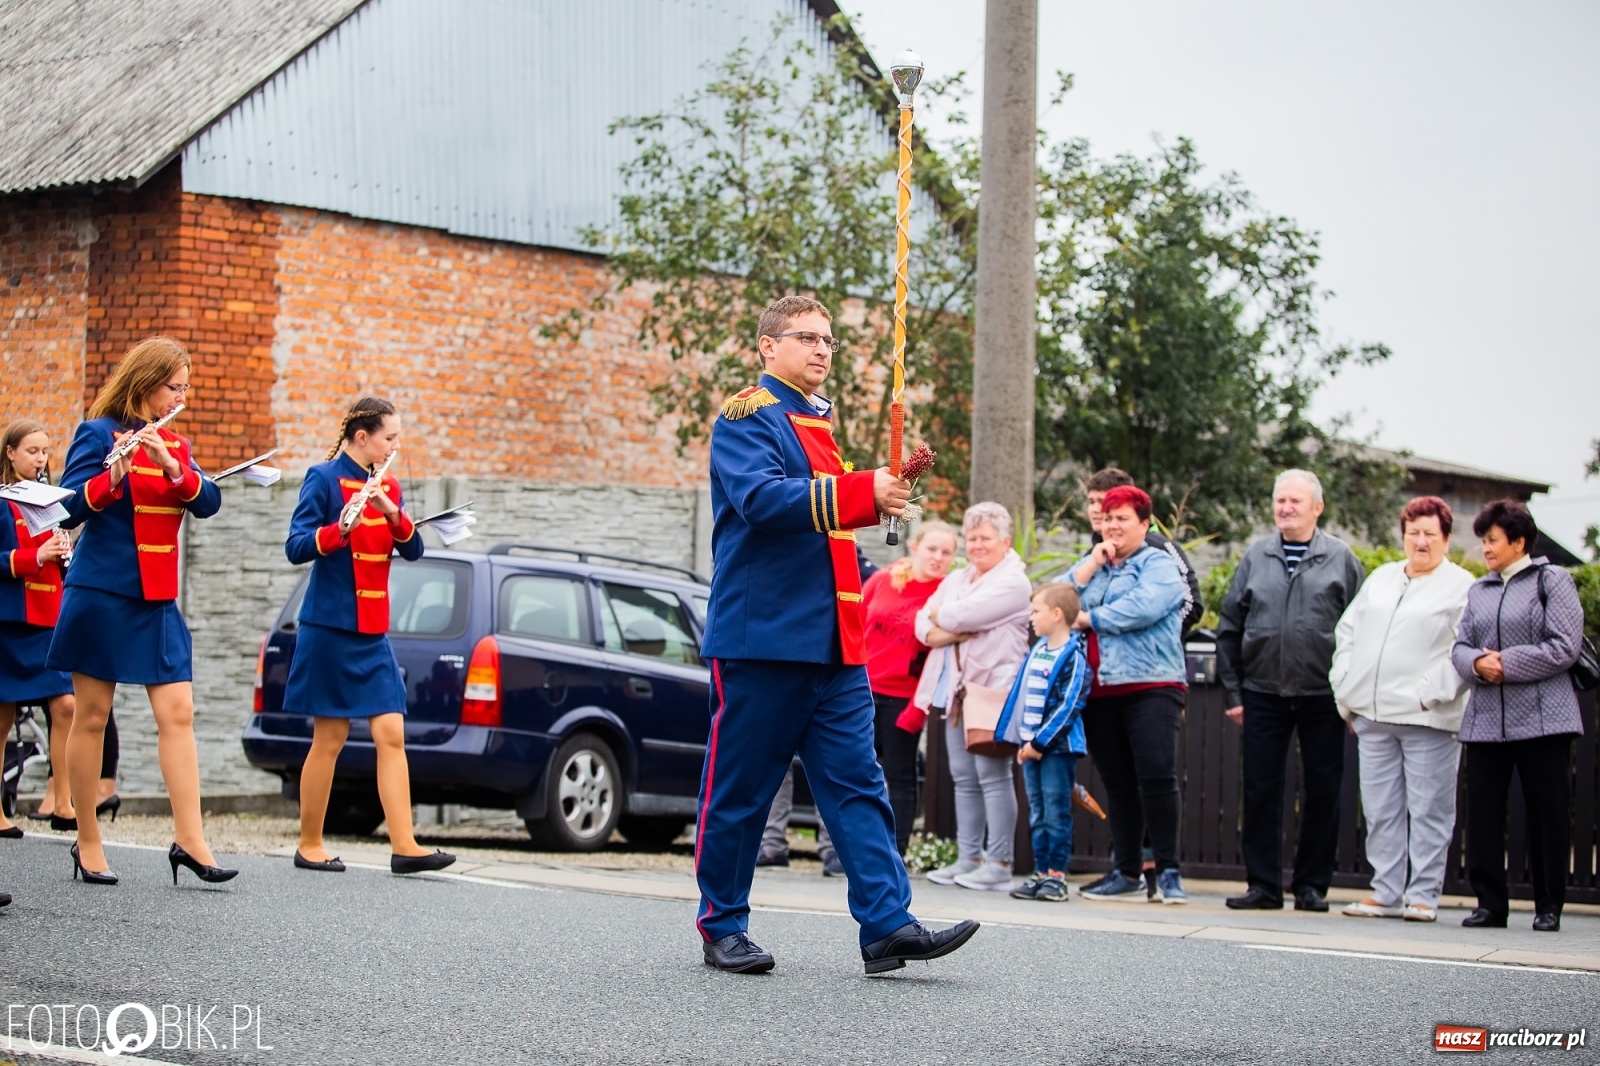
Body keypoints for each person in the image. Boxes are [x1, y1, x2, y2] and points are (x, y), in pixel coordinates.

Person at [694, 294, 978, 975]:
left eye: (828, 340)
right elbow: (762, 501)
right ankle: (722, 925)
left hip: (835, 645)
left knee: (858, 786)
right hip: (764, 640)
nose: (822, 349)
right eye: (806, 337)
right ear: (768, 347)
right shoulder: (746, 417)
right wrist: (861, 491)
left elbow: (827, 531)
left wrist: (872, 499)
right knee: (740, 791)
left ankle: (886, 924)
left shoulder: (817, 423)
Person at [48, 337, 235, 886]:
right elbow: (66, 509)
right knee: (92, 715)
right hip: (102, 591)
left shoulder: (174, 442)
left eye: (185, 387)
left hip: (157, 598)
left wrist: (173, 467)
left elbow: (208, 501)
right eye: (174, 386)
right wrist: (114, 475)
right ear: (146, 381)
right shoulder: (97, 433)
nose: (180, 397)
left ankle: (191, 840)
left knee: (178, 713)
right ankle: (87, 839)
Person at [284, 396, 455, 877]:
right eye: (389, 437)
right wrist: (338, 528)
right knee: (330, 736)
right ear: (362, 437)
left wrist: (391, 511)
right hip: (330, 626)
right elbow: (296, 545)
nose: (396, 446)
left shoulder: (389, 485)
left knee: (391, 733)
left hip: (372, 628)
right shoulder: (322, 479)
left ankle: (404, 845)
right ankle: (310, 843)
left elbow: (414, 549)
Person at [757, 525, 954, 873]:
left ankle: (894, 854)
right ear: (914, 547)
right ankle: (843, 852)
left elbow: (940, 654)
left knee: (899, 777)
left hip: (904, 697)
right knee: (848, 769)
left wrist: (917, 707)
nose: (938, 558)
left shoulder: (947, 596)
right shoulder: (885, 579)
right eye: (932, 549)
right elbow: (854, 622)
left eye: (946, 552)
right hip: (863, 687)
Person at [1217, 469, 1364, 912]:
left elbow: (1362, 630)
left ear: (1317, 508)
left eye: (1295, 501)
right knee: (1260, 790)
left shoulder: (1341, 558)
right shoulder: (1256, 555)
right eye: (1280, 500)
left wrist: (1351, 697)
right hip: (1262, 693)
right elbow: (1230, 626)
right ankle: (1263, 885)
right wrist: (1235, 695)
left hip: (1324, 695)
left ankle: (1311, 886)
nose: (1285, 508)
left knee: (1322, 790)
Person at [1331, 496, 1474, 922]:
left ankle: (1424, 895)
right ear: (1403, 536)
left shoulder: (1462, 586)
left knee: (1430, 809)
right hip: (1372, 716)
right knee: (1380, 810)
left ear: (1446, 537)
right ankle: (1385, 891)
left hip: (1427, 718)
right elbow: (1347, 633)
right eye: (1413, 533)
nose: (1421, 541)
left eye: (1430, 533)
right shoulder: (1382, 578)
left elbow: (1464, 650)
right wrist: (1346, 690)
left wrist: (1429, 694)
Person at [1451, 500, 1585, 933]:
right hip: (1486, 721)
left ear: (1519, 541)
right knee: (1483, 815)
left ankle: (1549, 906)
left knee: (1547, 814)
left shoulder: (1553, 580)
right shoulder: (1479, 590)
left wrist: (1504, 663)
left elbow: (1564, 646)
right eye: (1484, 541)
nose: (1486, 548)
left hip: (1545, 720)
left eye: (1493, 540)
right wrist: (1476, 663)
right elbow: (1460, 647)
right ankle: (1490, 905)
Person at [1064, 485, 1191, 904]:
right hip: (1099, 690)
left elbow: (1145, 606)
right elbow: (1054, 602)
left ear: (1145, 524)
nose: (1113, 526)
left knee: (1156, 775)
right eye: (1108, 518)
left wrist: (1089, 618)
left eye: (1123, 518)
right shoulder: (1097, 564)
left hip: (1152, 684)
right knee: (1117, 782)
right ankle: (1127, 871)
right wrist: (1089, 565)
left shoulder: (1159, 562)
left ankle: (1168, 871)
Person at [913, 502, 1032, 892]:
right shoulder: (959, 578)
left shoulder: (1014, 582)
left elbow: (953, 616)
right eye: (971, 538)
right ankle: (969, 858)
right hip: (956, 690)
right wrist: (949, 624)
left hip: (993, 690)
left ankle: (999, 862)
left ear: (1006, 541)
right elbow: (922, 624)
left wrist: (945, 618)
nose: (977, 545)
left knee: (993, 775)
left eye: (985, 538)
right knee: (963, 777)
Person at [0, 420, 75, 837]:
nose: (41, 459)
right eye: (32, 451)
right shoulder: (1, 499)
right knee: (2, 716)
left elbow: (57, 559)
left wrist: (64, 554)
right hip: (11, 620)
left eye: (45, 451)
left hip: (50, 616)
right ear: (10, 452)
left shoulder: (50, 500)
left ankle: (63, 801)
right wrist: (35, 557)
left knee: (65, 705)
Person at [994, 583, 1090, 903]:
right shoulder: (1037, 651)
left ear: (1057, 614)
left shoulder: (1073, 656)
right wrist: (1022, 740)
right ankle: (1040, 871)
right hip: (1030, 747)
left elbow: (1069, 705)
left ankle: (1056, 876)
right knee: (1037, 811)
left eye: (1036, 611)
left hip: (1056, 749)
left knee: (1056, 811)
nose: (1031, 617)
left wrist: (1039, 742)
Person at [1084, 468, 1202, 635]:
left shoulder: (1160, 548)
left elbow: (1191, 604)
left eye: (1102, 501)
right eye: (1091, 502)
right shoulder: (1092, 557)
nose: (1095, 509)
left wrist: (1152, 639)